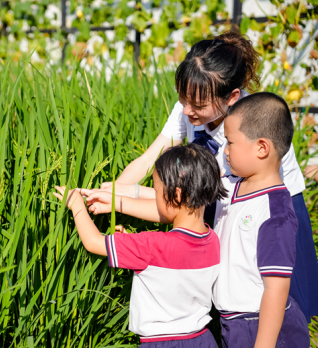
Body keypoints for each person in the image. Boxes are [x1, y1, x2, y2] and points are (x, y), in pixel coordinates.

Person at [86, 31, 318, 322]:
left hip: (268, 215)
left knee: (274, 308)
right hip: (224, 207)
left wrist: (122, 200)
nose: (186, 110)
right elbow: (151, 157)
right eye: (183, 98)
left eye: (197, 105)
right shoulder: (192, 104)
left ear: (232, 97)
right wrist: (115, 190)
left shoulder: (245, 138)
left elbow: (188, 203)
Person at [54, 143, 225, 347]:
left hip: (161, 344)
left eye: (156, 189)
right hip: (203, 340)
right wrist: (131, 241)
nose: (155, 193)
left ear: (177, 195)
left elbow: (93, 242)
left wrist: (76, 204)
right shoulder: (212, 239)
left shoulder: (151, 245)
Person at [211, 92, 310, 347]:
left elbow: (275, 290)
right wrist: (120, 197)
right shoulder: (230, 186)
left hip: (262, 329)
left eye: (230, 143)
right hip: (233, 324)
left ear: (262, 147)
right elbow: (182, 200)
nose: (226, 151)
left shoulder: (275, 212)